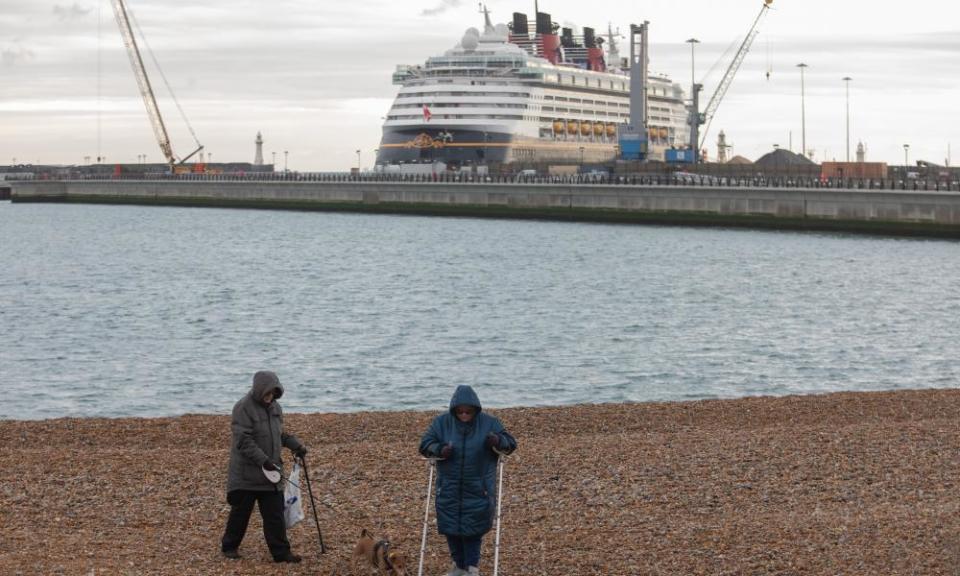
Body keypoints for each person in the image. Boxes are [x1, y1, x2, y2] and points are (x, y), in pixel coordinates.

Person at [419, 385, 517, 576]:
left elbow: (510, 444)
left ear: (475, 409)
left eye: (468, 411)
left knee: (473, 530)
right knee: (451, 528)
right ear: (454, 409)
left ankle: (471, 568)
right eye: (460, 411)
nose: (464, 414)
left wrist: (497, 440)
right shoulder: (441, 423)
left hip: (478, 488)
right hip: (449, 487)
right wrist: (439, 450)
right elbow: (424, 445)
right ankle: (458, 565)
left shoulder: (489, 423)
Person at [221, 370, 307, 563]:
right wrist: (264, 461)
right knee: (240, 513)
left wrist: (296, 445)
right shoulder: (243, 407)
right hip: (247, 474)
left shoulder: (276, 408)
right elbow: (243, 441)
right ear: (259, 390)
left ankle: (281, 553)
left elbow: (279, 434)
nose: (270, 398)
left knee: (274, 515)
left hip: (271, 474)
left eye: (274, 394)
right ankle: (229, 546)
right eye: (267, 394)